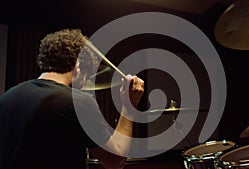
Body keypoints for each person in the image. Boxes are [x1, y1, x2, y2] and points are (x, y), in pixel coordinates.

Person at [0, 28, 144, 169]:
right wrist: (128, 106)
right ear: (80, 65)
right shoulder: (77, 101)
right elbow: (115, 161)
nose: (83, 84)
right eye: (88, 75)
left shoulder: (7, 97)